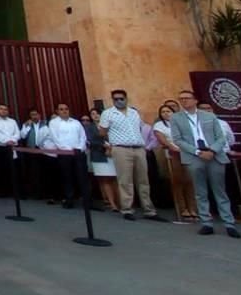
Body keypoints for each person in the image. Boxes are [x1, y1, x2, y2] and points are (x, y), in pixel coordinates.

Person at [171, 90, 240, 238]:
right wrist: (197, 152)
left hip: (214, 154)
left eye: (187, 98)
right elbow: (177, 140)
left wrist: (213, 150)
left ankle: (229, 223)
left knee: (220, 190)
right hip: (194, 156)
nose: (184, 101)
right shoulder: (176, 118)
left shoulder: (209, 116)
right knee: (200, 191)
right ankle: (206, 222)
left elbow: (221, 137)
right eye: (181, 99)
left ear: (195, 100)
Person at [98, 90, 165, 222]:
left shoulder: (134, 112)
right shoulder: (108, 113)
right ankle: (127, 209)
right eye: (116, 99)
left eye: (121, 98)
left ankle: (149, 210)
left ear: (126, 98)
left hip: (138, 148)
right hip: (121, 148)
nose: (119, 101)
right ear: (112, 100)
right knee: (125, 180)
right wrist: (112, 142)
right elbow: (102, 132)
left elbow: (139, 128)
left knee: (143, 180)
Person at [152, 104, 199, 222]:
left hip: (187, 153)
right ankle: (183, 208)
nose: (166, 113)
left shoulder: (183, 123)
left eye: (168, 111)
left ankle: (193, 208)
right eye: (163, 112)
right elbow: (162, 139)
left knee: (190, 181)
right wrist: (174, 147)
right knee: (177, 181)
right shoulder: (159, 125)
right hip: (173, 154)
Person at [47, 103, 88, 209]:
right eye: (61, 109)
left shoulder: (76, 122)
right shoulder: (53, 123)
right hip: (64, 154)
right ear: (57, 111)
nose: (64, 111)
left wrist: (79, 148)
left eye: (66, 109)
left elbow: (82, 137)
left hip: (78, 153)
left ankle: (87, 200)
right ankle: (69, 199)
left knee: (82, 176)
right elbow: (55, 138)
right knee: (67, 177)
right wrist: (67, 150)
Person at [85, 108, 119, 212]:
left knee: (115, 179)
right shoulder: (89, 128)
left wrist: (111, 146)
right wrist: (104, 146)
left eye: (97, 113)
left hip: (113, 153)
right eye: (92, 114)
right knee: (105, 180)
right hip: (99, 155)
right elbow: (91, 141)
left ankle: (119, 202)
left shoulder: (110, 125)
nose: (95, 115)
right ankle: (112, 203)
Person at [18, 107, 52, 201]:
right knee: (34, 172)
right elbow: (22, 136)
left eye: (36, 114)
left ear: (39, 115)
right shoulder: (27, 125)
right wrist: (27, 126)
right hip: (32, 151)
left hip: (44, 150)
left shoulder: (45, 123)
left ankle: (47, 193)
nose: (34, 117)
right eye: (32, 115)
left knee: (45, 172)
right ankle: (37, 193)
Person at [0, 104, 19, 197]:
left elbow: (17, 133)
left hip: (12, 147)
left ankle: (13, 191)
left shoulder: (12, 121)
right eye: (1, 109)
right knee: (1, 170)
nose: (4, 111)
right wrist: (6, 141)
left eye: (5, 109)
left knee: (13, 170)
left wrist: (12, 140)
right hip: (0, 148)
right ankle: (2, 192)